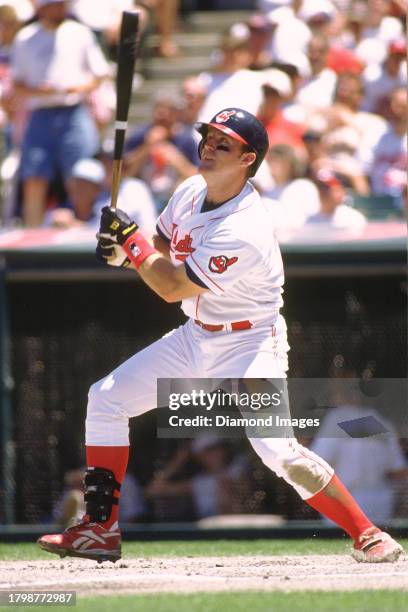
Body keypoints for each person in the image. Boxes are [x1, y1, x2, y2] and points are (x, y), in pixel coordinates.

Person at [37, 107, 403, 564]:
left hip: (251, 343)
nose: (209, 147)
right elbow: (165, 251)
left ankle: (367, 533)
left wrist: (131, 244)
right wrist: (124, 253)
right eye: (208, 138)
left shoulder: (244, 226)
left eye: (223, 143)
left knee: (279, 452)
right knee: (106, 399)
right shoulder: (191, 190)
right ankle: (100, 530)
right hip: (198, 335)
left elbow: (171, 286)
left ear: (248, 158)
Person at [10, 0, 109, 226]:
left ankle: (88, 228)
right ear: (42, 8)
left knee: (83, 173)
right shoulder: (25, 38)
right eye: (55, 4)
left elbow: (99, 74)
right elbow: (17, 83)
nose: (60, 8)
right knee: (34, 177)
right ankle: (32, 235)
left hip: (73, 111)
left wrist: (76, 87)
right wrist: (38, 91)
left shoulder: (79, 33)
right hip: (39, 113)